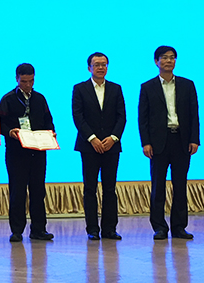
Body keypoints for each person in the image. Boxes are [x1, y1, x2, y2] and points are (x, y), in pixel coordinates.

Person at [139, 46, 200, 240]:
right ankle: (159, 227)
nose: (168, 61)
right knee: (158, 186)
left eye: (172, 57)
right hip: (158, 142)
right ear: (156, 61)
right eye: (164, 57)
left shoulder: (187, 85)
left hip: (181, 140)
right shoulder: (147, 87)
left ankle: (179, 227)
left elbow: (194, 114)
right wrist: (146, 143)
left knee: (180, 185)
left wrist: (194, 139)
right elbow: (143, 118)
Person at [0, 63, 55, 242]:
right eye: (24, 81)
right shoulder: (8, 99)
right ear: (17, 79)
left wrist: (51, 133)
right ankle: (17, 230)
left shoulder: (40, 98)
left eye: (31, 81)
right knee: (18, 191)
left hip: (38, 152)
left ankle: (38, 229)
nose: (28, 85)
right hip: (17, 153)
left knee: (38, 191)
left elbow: (48, 120)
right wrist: (10, 132)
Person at [72, 52, 126, 241]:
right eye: (97, 64)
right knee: (90, 188)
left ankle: (110, 229)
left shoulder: (116, 88)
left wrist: (113, 138)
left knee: (110, 188)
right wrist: (92, 139)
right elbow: (78, 116)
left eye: (104, 64)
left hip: (111, 146)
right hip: (89, 147)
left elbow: (122, 116)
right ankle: (92, 229)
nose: (101, 67)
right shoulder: (80, 89)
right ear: (89, 68)